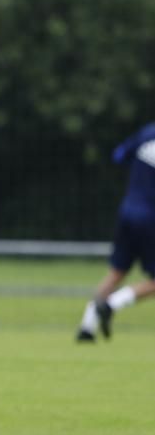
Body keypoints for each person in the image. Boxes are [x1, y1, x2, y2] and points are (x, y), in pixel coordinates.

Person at [75, 121, 155, 341]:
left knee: (117, 271)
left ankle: (87, 327)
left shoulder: (147, 132)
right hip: (151, 216)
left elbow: (119, 155)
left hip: (128, 210)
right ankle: (111, 305)